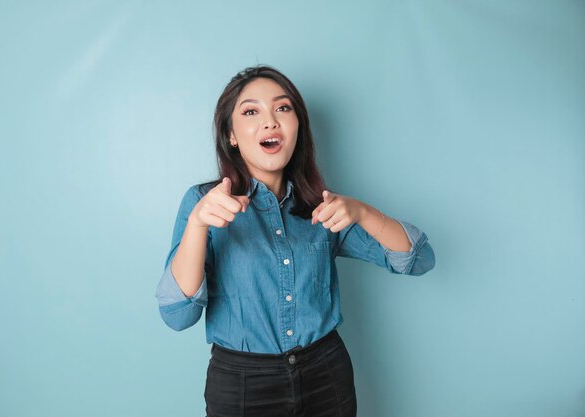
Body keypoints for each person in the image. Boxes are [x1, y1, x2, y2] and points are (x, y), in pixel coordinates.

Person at [155, 65, 436, 417]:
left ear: (297, 129)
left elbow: (420, 259)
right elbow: (177, 316)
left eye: (283, 108)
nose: (270, 121)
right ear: (231, 135)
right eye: (251, 111)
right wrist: (198, 224)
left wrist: (362, 212)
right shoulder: (203, 204)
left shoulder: (325, 208)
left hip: (326, 373)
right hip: (243, 384)